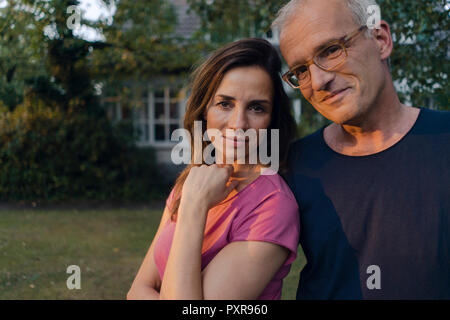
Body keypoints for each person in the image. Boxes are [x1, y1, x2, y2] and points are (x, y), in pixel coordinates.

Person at [273, 0, 450, 299]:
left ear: (380, 40)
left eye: (330, 50)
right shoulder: (291, 168)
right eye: (301, 70)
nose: (318, 81)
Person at [127, 38, 300, 300]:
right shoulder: (189, 183)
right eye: (225, 104)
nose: (238, 123)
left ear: (271, 120)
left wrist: (195, 206)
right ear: (204, 109)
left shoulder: (273, 206)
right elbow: (138, 290)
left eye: (256, 107)